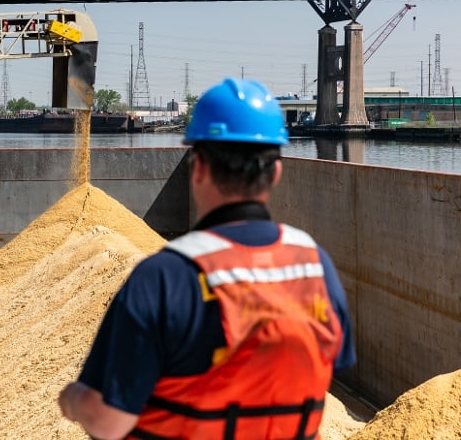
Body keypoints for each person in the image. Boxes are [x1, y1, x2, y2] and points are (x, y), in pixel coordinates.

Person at [58, 78, 356, 440]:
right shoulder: (313, 265)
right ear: (276, 171)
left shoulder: (164, 278)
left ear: (197, 167)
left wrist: (75, 400)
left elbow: (108, 422)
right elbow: (331, 365)